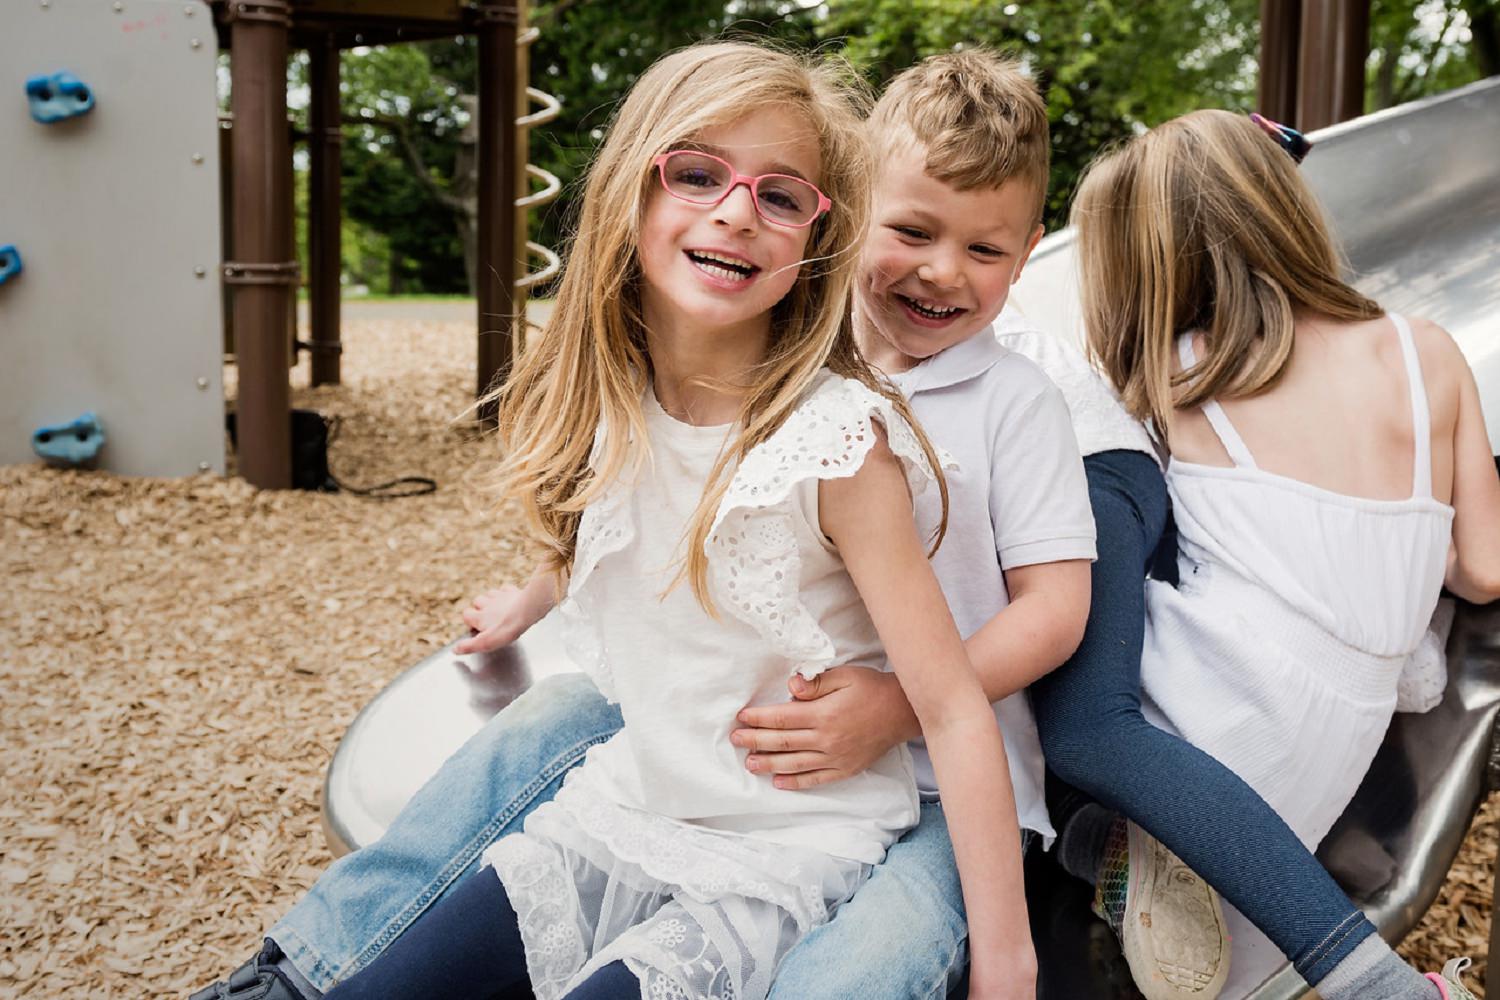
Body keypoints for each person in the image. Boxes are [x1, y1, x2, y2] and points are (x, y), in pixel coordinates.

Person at [193, 49, 1100, 1000]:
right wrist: (539, 589)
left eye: (986, 251)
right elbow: (649, 518)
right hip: (692, 767)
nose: (941, 270)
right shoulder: (686, 368)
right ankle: (300, 971)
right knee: (541, 732)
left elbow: (1027, 634)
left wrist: (896, 723)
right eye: (912, 229)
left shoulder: (926, 417)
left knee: (857, 968)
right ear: (855, 218)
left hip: (875, 797)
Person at [1052, 108, 1500, 1000]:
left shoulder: (1178, 377)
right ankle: (1120, 857)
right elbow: (1482, 569)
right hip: (1327, 740)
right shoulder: (1427, 354)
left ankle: (1109, 847)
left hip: (1185, 728)